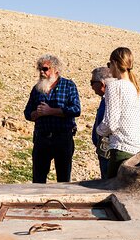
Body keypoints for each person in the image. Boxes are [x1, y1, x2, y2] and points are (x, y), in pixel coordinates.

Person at [24, 54, 81, 183]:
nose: (42, 72)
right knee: (38, 178)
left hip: (62, 138)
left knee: (63, 179)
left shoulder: (68, 86)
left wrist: (51, 111)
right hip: (41, 139)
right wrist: (36, 114)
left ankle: (61, 203)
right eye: (40, 69)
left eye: (45, 69)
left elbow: (76, 110)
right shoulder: (37, 89)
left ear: (56, 69)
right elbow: (27, 113)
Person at [97, 47, 140, 179]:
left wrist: (99, 131)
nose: (109, 69)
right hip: (139, 152)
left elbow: (111, 123)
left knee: (110, 193)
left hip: (120, 151)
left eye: (109, 65)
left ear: (115, 63)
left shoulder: (114, 86)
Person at [90, 67, 113, 180]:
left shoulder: (110, 99)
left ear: (101, 83)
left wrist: (98, 132)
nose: (92, 87)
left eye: (92, 82)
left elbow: (109, 123)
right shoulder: (105, 98)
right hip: (104, 149)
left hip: (109, 149)